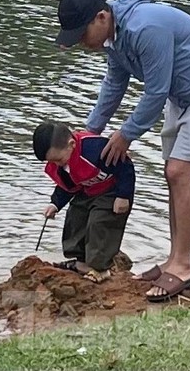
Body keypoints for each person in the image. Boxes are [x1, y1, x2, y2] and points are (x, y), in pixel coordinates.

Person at [54, 0, 190, 303]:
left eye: (81, 34)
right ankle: (174, 259)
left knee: (180, 172)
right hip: (182, 97)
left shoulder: (145, 27)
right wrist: (88, 133)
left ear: (101, 17)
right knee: (172, 173)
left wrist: (126, 135)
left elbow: (155, 90)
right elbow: (114, 83)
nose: (81, 43)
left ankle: (184, 265)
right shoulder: (114, 38)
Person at [33, 119, 135, 280]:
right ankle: (81, 261)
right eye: (51, 162)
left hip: (111, 190)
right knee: (75, 217)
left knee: (100, 223)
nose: (57, 165)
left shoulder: (95, 149)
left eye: (58, 160)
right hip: (88, 190)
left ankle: (100, 269)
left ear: (71, 144)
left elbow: (125, 167)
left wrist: (123, 196)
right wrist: (55, 204)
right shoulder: (62, 163)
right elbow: (66, 186)